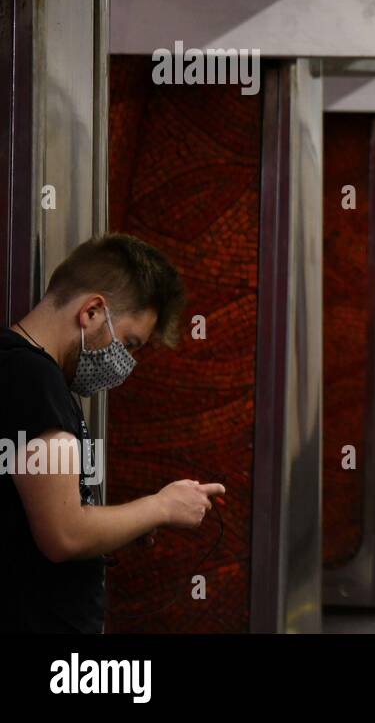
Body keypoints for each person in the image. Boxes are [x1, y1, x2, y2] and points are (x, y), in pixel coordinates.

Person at [1, 234, 225, 633]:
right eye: (130, 343)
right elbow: (64, 534)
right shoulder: (34, 380)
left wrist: (130, 522)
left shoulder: (32, 375)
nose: (126, 363)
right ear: (91, 312)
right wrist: (163, 506)